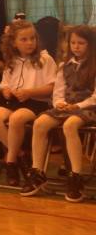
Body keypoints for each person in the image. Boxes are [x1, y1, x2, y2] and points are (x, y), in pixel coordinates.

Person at [22, 25, 96, 202]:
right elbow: (58, 92)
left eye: (81, 43)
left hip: (88, 108)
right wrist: (60, 104)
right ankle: (37, 172)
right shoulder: (64, 66)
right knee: (40, 123)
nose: (76, 46)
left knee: (70, 125)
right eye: (73, 43)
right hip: (67, 107)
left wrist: (78, 106)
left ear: (91, 44)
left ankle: (75, 177)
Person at [0, 19, 57, 186]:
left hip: (37, 103)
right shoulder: (12, 61)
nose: (30, 42)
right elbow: (5, 84)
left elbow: (52, 87)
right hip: (16, 102)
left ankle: (11, 162)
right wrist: (6, 91)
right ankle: (21, 154)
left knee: (16, 118)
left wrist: (30, 92)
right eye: (24, 39)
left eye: (32, 38)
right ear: (14, 43)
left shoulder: (45, 59)